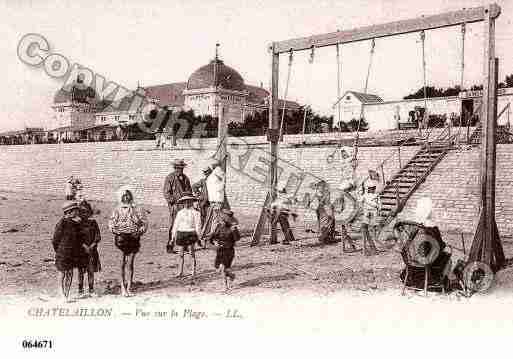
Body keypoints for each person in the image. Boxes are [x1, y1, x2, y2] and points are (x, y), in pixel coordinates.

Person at [108, 187, 148, 297]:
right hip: (121, 237)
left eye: (128, 195)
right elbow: (111, 222)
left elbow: (144, 223)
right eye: (124, 195)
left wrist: (139, 232)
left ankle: (129, 287)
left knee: (130, 264)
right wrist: (115, 230)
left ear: (131, 196)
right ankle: (122, 287)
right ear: (121, 197)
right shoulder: (117, 209)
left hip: (133, 237)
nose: (126, 197)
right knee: (121, 263)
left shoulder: (137, 209)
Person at [52, 201, 88, 302]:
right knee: (62, 273)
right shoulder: (61, 223)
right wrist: (58, 251)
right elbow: (55, 239)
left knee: (70, 272)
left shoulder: (76, 223)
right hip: (63, 252)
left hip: (73, 252)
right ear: (69, 212)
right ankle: (61, 293)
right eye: (75, 210)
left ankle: (66, 294)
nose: (77, 212)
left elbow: (79, 238)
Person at [205, 209, 241, 291]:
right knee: (218, 269)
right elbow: (212, 237)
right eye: (221, 219)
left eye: (223, 219)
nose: (221, 221)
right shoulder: (218, 227)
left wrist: (234, 231)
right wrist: (214, 243)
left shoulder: (232, 228)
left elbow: (237, 239)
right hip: (220, 250)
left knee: (223, 268)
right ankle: (231, 275)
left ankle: (225, 286)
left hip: (229, 250)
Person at [163, 159, 192, 253]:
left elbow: (189, 190)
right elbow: (166, 193)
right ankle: (170, 245)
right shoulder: (170, 178)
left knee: (185, 225)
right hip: (175, 206)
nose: (181, 170)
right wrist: (173, 201)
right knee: (174, 225)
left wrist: (188, 198)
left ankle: (185, 245)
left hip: (185, 206)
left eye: (182, 168)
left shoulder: (186, 178)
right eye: (179, 168)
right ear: (175, 168)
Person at [170, 193, 202, 279]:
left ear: (191, 202)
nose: (187, 204)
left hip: (191, 233)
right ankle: (180, 272)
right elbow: (175, 225)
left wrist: (199, 237)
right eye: (185, 202)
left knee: (191, 253)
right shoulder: (180, 213)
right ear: (183, 203)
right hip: (181, 233)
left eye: (189, 202)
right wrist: (173, 237)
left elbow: (198, 226)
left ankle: (193, 272)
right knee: (180, 254)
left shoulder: (196, 213)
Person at [200, 159, 230, 245]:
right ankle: (209, 237)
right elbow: (220, 188)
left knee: (211, 220)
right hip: (217, 201)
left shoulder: (210, 177)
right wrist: (223, 182)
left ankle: (207, 237)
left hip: (213, 201)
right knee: (216, 221)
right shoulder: (217, 173)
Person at [77, 200, 101, 297]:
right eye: (82, 212)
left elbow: (98, 236)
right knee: (80, 271)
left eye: (86, 212)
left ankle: (91, 290)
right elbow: (76, 237)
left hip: (92, 250)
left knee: (91, 270)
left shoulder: (93, 223)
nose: (84, 214)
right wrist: (84, 246)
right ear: (79, 213)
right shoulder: (77, 224)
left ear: (89, 212)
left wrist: (92, 245)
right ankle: (80, 290)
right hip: (80, 250)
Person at [360, 179, 380, 256]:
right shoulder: (365, 195)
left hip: (373, 213)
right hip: (367, 213)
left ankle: (374, 248)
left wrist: (377, 208)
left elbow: (379, 205)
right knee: (364, 229)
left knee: (373, 230)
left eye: (373, 188)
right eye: (370, 188)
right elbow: (360, 200)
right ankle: (366, 248)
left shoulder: (376, 195)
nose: (371, 190)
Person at [192, 162, 213, 228]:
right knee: (203, 216)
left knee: (211, 218)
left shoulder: (214, 181)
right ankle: (202, 231)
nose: (207, 174)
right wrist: (199, 194)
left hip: (211, 202)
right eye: (205, 172)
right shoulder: (203, 181)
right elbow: (194, 186)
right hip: (203, 202)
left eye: (208, 172)